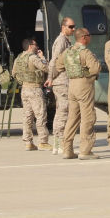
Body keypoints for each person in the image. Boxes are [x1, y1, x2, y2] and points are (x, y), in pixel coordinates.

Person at [55, 27, 102, 160]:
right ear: (83, 38)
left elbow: (59, 66)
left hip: (72, 86)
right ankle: (85, 151)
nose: (90, 37)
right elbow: (95, 69)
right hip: (84, 86)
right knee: (88, 117)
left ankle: (67, 149)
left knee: (72, 118)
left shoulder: (67, 52)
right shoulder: (86, 52)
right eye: (89, 35)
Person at [13, 37, 51, 151]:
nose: (37, 47)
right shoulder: (33, 58)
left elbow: (14, 73)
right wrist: (43, 57)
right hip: (35, 89)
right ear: (30, 46)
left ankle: (28, 142)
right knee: (40, 116)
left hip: (24, 89)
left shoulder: (19, 58)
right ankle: (43, 142)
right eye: (35, 45)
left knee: (27, 117)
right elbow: (46, 68)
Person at [44, 17, 75, 154]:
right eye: (70, 27)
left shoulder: (65, 40)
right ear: (63, 27)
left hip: (63, 80)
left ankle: (58, 143)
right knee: (63, 111)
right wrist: (51, 77)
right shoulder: (61, 40)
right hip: (61, 81)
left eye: (74, 27)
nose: (73, 29)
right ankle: (60, 143)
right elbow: (54, 60)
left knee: (61, 112)